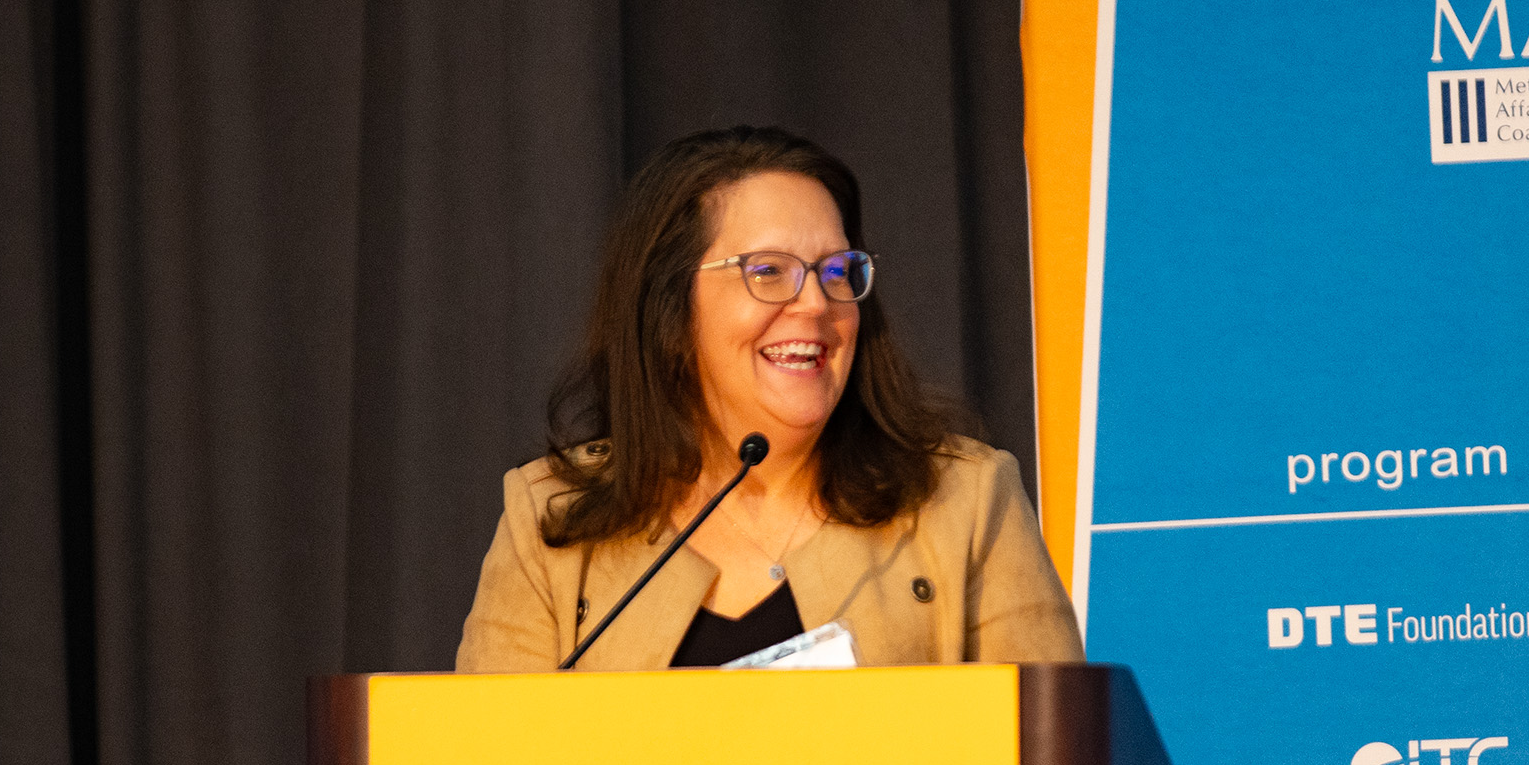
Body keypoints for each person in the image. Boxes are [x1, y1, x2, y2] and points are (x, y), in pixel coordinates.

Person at [456, 126, 1083, 670]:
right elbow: (483, 761)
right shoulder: (551, 520)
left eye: (836, 270)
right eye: (768, 271)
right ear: (669, 304)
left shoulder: (965, 502)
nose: (815, 303)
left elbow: (1054, 753)